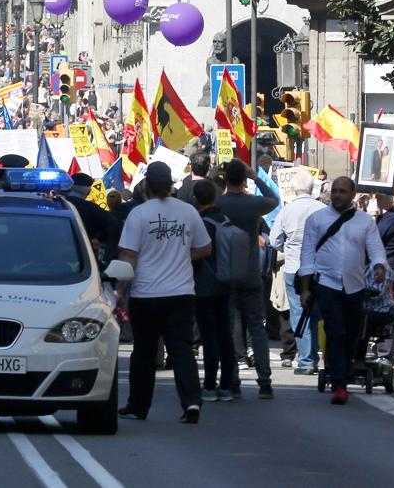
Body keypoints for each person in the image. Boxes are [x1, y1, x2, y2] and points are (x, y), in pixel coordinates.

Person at [115, 162, 211, 424]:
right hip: (181, 293)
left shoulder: (139, 215)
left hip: (146, 295)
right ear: (171, 184)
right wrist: (183, 254)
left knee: (144, 352)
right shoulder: (188, 212)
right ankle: (191, 401)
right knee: (181, 349)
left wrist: (119, 291)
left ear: (146, 185)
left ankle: (138, 406)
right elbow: (205, 248)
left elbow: (129, 255)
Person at [297, 176, 388, 405]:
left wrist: (379, 266)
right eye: (334, 191)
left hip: (355, 286)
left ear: (352, 193)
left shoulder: (365, 221)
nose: (337, 195)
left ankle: (344, 371)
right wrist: (306, 289)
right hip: (326, 284)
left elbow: (376, 248)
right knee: (335, 331)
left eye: (342, 191)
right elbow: (307, 255)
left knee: (353, 333)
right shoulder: (316, 219)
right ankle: (339, 384)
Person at [217, 159, 278, 399]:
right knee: (257, 327)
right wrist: (256, 177)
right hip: (251, 271)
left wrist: (214, 174)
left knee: (230, 325)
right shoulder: (253, 203)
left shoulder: (218, 203)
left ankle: (232, 379)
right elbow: (274, 199)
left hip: (224, 271)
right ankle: (264, 381)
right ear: (244, 179)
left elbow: (200, 199)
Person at [269, 169, 323, 374]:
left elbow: (274, 241)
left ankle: (307, 359)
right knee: (316, 313)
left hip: (294, 267)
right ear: (311, 188)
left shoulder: (287, 210)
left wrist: (288, 248)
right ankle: (312, 354)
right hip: (318, 268)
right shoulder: (322, 209)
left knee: (299, 313)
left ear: (293, 189)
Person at [192, 179, 237, 402]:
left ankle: (209, 385)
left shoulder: (201, 222)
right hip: (225, 282)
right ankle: (226, 385)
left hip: (204, 285)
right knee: (225, 335)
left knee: (209, 336)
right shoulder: (224, 219)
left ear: (195, 199)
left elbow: (196, 253)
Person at [64, 172, 119, 263]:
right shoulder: (91, 208)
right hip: (84, 257)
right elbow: (112, 223)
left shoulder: (56, 204)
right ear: (88, 190)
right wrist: (98, 239)